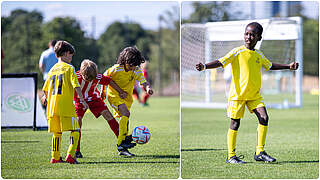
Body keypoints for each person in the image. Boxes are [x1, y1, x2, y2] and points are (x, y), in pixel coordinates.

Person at [196, 22, 299, 164]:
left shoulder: (259, 55)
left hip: (254, 96)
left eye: (252, 35)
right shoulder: (237, 52)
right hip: (237, 96)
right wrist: (205, 66)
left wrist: (288, 66)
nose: (248, 37)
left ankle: (260, 152)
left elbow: (270, 65)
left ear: (259, 38)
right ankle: (231, 156)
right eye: (246, 34)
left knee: (264, 117)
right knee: (235, 123)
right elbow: (221, 62)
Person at [42, 40, 89, 164]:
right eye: (71, 55)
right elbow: (76, 85)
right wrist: (82, 100)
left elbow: (46, 88)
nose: (71, 57)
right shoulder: (69, 68)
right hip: (66, 107)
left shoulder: (52, 69)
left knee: (57, 132)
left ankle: (55, 157)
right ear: (65, 53)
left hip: (52, 107)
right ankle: (71, 155)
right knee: (75, 130)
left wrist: (45, 97)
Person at [74, 59, 132, 158]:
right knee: (78, 121)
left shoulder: (97, 76)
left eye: (92, 79)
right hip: (79, 100)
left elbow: (109, 81)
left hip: (93, 98)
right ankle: (76, 150)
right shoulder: (75, 76)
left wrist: (120, 91)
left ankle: (122, 142)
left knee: (108, 115)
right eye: (87, 79)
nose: (90, 81)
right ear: (82, 73)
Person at [102, 46, 153, 156]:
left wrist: (148, 88)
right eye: (130, 65)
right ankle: (121, 144)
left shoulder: (136, 70)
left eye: (135, 65)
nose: (132, 67)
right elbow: (104, 78)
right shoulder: (116, 69)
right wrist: (103, 92)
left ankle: (123, 148)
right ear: (124, 61)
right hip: (114, 95)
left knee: (126, 120)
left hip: (127, 99)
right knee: (126, 113)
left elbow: (144, 82)